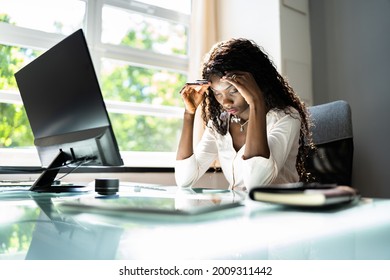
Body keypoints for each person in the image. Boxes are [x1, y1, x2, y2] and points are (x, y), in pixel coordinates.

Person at [175, 38, 314, 191]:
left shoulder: (286, 118)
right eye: (217, 93)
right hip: (239, 212)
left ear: (255, 83)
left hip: (277, 211)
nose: (226, 102)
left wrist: (256, 102)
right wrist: (189, 114)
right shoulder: (219, 124)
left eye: (234, 90)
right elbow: (184, 180)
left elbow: (255, 184)